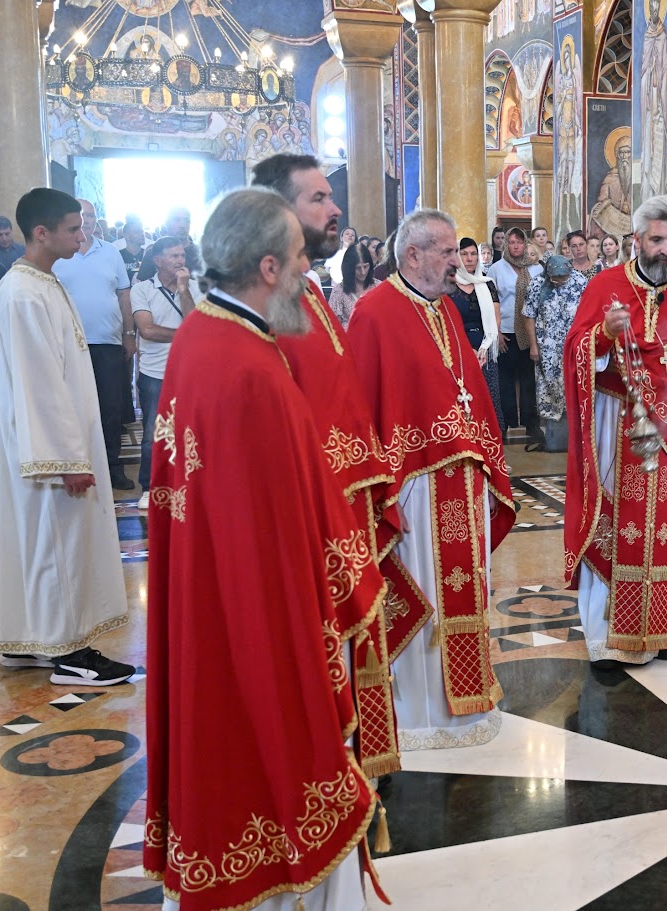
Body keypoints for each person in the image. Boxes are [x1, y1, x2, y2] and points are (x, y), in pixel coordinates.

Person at [144, 188, 388, 910]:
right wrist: (339, 585)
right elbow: (287, 525)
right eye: (303, 260)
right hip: (257, 606)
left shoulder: (202, 334)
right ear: (269, 267)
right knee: (274, 741)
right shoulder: (251, 367)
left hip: (210, 591)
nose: (311, 277)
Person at [252, 153, 401, 779]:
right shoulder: (266, 302)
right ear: (279, 210)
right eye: (317, 198)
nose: (335, 208)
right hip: (306, 520)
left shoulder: (305, 289)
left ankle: (349, 763)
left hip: (340, 506)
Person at [348, 209, 516, 749]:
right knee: (422, 590)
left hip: (460, 484)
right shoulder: (375, 311)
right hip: (412, 488)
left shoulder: (444, 308)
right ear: (413, 254)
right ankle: (418, 711)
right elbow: (365, 406)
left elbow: (466, 392)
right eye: (445, 252)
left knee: (462, 595)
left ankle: (464, 700)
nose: (457, 261)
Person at [564, 195, 667, 669]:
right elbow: (574, 353)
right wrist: (603, 337)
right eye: (657, 239)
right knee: (616, 523)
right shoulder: (607, 285)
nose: (666, 250)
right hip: (619, 422)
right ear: (637, 240)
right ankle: (609, 637)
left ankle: (666, 628)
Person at [0, 188, 133, 685]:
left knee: (47, 546)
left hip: (61, 442)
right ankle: (71, 655)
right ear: (41, 233)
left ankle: (34, 641)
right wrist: (67, 459)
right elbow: (39, 383)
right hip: (49, 452)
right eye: (74, 228)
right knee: (56, 546)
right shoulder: (23, 292)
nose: (83, 235)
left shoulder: (45, 283)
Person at [52, 198, 136, 491]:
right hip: (67, 344)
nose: (85, 220)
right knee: (73, 407)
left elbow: (124, 295)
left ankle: (113, 468)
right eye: (80, 215)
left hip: (108, 343)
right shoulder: (60, 253)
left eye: (90, 216)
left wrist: (129, 334)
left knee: (110, 408)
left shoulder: (110, 252)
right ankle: (77, 466)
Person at [129, 236, 197, 510]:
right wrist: (187, 335)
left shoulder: (194, 287)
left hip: (189, 371)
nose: (180, 261)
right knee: (153, 432)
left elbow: (197, 321)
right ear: (158, 260)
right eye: (174, 256)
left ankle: (189, 482)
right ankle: (149, 486)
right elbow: (148, 330)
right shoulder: (142, 289)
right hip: (155, 372)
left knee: (190, 430)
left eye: (182, 255)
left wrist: (183, 290)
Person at [523, 255, 588, 451]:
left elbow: (590, 312)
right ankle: (555, 440)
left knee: (574, 387)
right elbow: (528, 315)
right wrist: (533, 346)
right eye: (555, 278)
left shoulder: (581, 282)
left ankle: (577, 441)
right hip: (547, 347)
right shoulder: (537, 284)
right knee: (550, 388)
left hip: (574, 346)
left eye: (563, 278)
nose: (559, 281)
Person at [489, 226, 544, 444]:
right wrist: (497, 332)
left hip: (530, 334)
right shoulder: (496, 269)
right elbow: (492, 302)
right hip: (507, 332)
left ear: (525, 244)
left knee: (529, 380)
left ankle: (531, 424)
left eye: (519, 242)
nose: (515, 246)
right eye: (511, 242)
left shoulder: (536, 269)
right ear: (506, 245)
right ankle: (507, 423)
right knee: (506, 381)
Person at [451, 236, 506, 434]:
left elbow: (496, 318)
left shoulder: (487, 283)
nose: (470, 258)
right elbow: (447, 321)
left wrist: (484, 348)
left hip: (485, 350)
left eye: (473, 254)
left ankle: (493, 450)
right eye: (464, 254)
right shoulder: (448, 285)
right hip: (458, 349)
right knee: (463, 401)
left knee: (488, 399)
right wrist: (468, 350)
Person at [327, 242, 376, 327]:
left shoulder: (378, 287)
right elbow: (333, 327)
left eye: (365, 266)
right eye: (358, 268)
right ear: (349, 268)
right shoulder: (339, 291)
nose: (363, 272)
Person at [162, 206, 203, 272]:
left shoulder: (200, 253)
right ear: (167, 223)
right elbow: (144, 282)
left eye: (187, 221)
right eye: (177, 220)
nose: (182, 225)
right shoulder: (154, 253)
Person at [0, 216, 25, 281]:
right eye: (0, 235)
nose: (4, 238)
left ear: (11, 231)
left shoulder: (23, 250)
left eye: (7, 234)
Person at [115, 217, 147, 285]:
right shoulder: (118, 256)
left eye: (142, 231)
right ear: (126, 236)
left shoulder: (148, 255)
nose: (142, 234)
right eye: (137, 232)